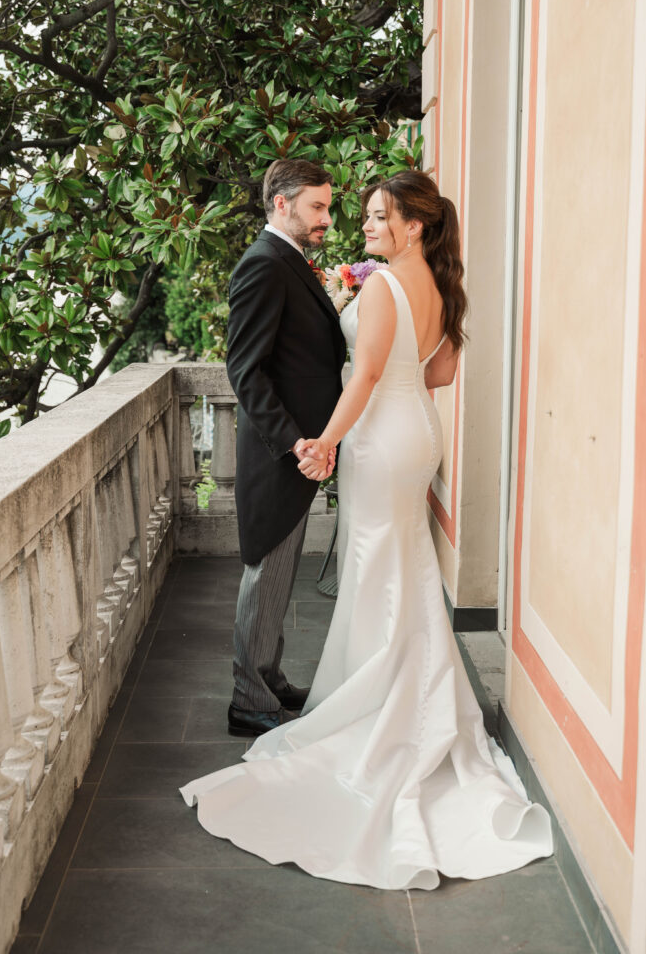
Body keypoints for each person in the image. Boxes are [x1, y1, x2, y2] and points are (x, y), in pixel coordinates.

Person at [181, 170, 553, 889]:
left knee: (378, 564)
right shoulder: (440, 286)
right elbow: (436, 373)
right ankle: (404, 688)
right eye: (356, 215)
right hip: (417, 431)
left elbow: (366, 373)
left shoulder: (383, 285)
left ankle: (381, 701)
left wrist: (321, 442)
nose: (362, 226)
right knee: (401, 562)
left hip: (378, 436)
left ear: (413, 225)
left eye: (377, 216)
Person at [224, 159, 347, 738]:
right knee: (265, 573)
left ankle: (267, 676)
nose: (327, 216)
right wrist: (295, 441)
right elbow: (247, 373)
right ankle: (247, 700)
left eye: (327, 205)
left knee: (279, 575)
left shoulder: (289, 260)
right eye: (317, 207)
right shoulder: (264, 266)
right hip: (281, 452)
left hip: (301, 450)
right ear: (281, 204)